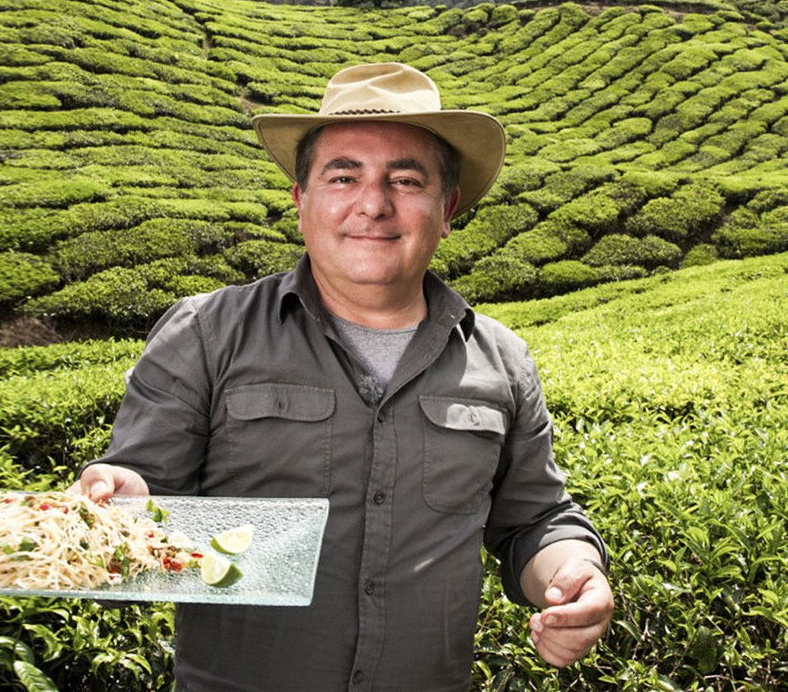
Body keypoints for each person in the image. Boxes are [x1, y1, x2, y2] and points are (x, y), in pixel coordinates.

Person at [71, 62, 613, 692]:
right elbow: (147, 500)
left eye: (405, 180)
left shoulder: (502, 360)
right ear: (301, 201)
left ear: (446, 208)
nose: (373, 204)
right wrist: (120, 501)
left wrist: (575, 572)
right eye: (343, 176)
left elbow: (533, 519)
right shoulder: (205, 334)